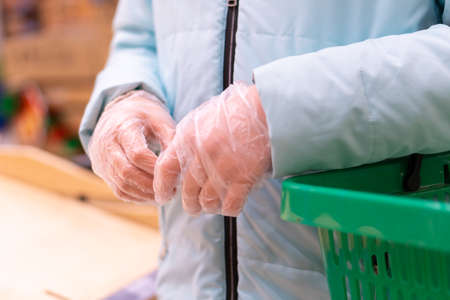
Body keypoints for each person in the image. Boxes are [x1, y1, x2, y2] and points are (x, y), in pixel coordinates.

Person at [80, 1, 450, 299]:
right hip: (188, 282)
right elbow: (139, 37)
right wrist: (125, 95)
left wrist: (279, 112)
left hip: (374, 279)